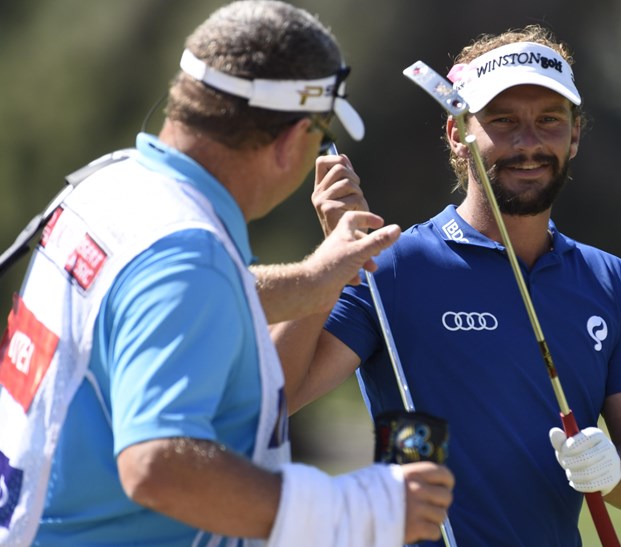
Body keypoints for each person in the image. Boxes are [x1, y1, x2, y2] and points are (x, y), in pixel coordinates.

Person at [0, 1, 454, 545]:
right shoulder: (187, 254)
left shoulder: (111, 186)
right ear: (291, 141)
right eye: (321, 134)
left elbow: (170, 306)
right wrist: (355, 509)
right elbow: (156, 466)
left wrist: (314, 281)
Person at [274, 25, 621, 546]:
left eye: (549, 121)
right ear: (457, 133)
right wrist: (331, 265)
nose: (528, 143)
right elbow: (276, 397)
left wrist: (615, 469)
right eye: (503, 121)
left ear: (574, 135)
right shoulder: (393, 265)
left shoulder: (609, 281)